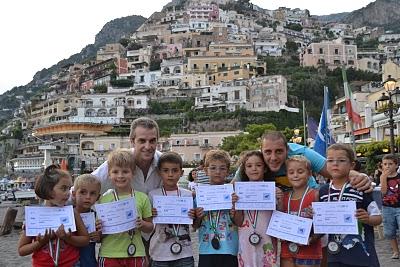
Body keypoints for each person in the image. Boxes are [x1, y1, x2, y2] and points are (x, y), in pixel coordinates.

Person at [236, 131, 372, 193]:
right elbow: (233, 185)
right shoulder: (255, 161)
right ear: (261, 151)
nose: (273, 157)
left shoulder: (302, 153)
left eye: (279, 151)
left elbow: (333, 171)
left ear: (287, 149)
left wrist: (360, 177)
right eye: (268, 152)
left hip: (308, 202)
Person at [319, 144, 381, 267]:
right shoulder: (323, 191)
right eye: (330, 160)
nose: (335, 164)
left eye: (341, 160)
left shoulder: (360, 188)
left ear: (352, 165)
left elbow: (378, 218)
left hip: (361, 254)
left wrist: (368, 219)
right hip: (333, 254)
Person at [18, 165, 89, 267]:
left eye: (69, 188)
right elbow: (22, 250)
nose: (68, 193)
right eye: (63, 188)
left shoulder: (72, 213)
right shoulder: (34, 216)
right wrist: (40, 242)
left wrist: (68, 238)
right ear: (48, 190)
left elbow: (85, 240)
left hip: (71, 264)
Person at [97, 148, 153, 266]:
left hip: (136, 253)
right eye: (115, 172)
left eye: (125, 171)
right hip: (109, 254)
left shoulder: (142, 198)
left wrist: (142, 224)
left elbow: (150, 228)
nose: (120, 176)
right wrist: (99, 229)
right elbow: (99, 236)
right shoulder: (103, 200)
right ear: (109, 174)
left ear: (133, 173)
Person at [194, 150, 242, 267]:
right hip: (206, 249)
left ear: (227, 171)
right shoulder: (199, 196)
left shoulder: (233, 195)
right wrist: (198, 217)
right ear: (205, 170)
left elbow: (238, 222)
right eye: (213, 168)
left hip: (230, 248)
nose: (217, 172)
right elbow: (194, 226)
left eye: (222, 168)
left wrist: (234, 210)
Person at [149, 152, 196, 267]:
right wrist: (150, 215)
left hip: (185, 254)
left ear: (181, 173)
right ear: (159, 173)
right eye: (165, 170)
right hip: (159, 254)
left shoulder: (188, 195)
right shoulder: (152, 195)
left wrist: (194, 216)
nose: (170, 174)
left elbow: (195, 225)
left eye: (175, 170)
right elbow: (147, 224)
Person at [93, 117, 162, 195]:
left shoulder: (165, 162)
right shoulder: (119, 161)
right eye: (142, 141)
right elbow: (87, 185)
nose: (147, 146)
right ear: (132, 141)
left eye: (152, 141)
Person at [235, 150, 282, 267]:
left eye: (258, 165)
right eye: (249, 166)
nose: (254, 169)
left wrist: (280, 200)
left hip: (267, 237)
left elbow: (279, 216)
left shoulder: (273, 190)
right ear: (244, 170)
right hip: (246, 239)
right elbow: (238, 222)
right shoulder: (239, 192)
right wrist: (236, 204)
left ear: (265, 168)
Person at [280, 156, 322, 267]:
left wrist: (313, 239)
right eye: (291, 172)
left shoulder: (316, 195)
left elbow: (324, 223)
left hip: (309, 251)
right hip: (287, 251)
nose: (295, 175)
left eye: (300, 171)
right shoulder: (283, 197)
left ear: (309, 174)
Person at [72, 174, 102, 267]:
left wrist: (99, 236)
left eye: (92, 193)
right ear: (74, 194)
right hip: (68, 262)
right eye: (83, 192)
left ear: (98, 197)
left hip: (89, 262)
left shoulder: (97, 217)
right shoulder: (65, 215)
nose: (88, 197)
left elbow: (101, 239)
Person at [380, 154, 400, 259]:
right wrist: (383, 177)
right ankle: (396, 251)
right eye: (385, 164)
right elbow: (383, 192)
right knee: (389, 231)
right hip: (387, 208)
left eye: (390, 164)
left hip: (399, 206)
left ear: (396, 165)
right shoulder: (382, 177)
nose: (387, 166)